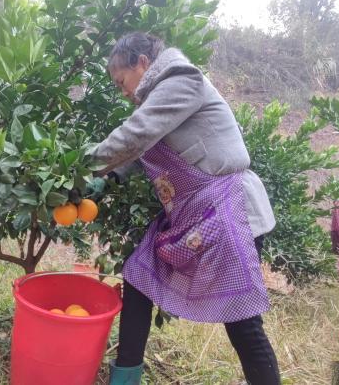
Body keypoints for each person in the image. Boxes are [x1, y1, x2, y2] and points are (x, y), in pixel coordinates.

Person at [92, 32, 280, 385]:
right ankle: (125, 378)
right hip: (194, 214)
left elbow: (137, 134)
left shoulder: (182, 80)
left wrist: (81, 166)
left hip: (229, 211)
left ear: (142, 64)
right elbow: (141, 150)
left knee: (243, 323)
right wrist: (108, 178)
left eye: (122, 82)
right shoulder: (160, 100)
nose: (123, 92)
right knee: (139, 278)